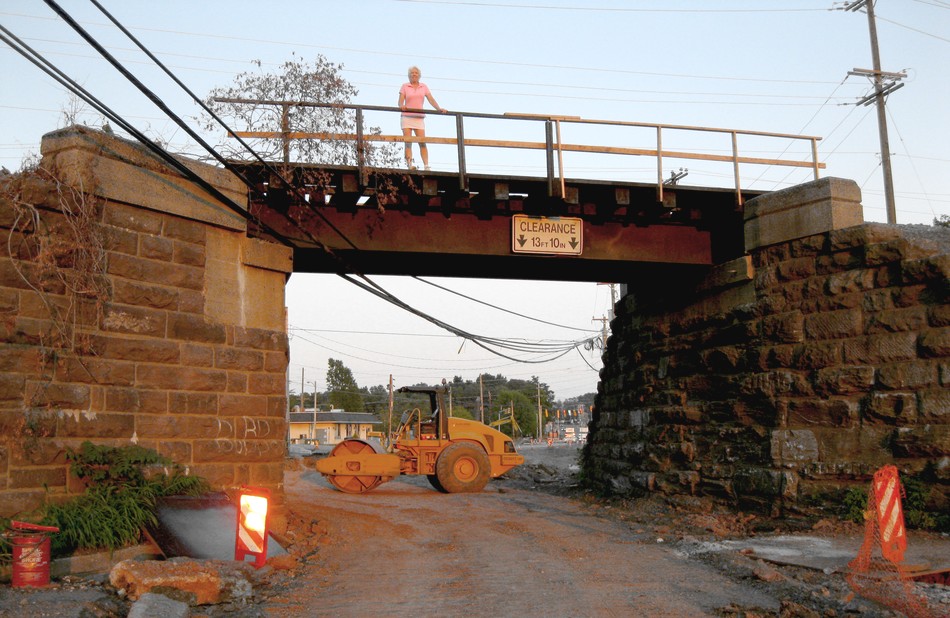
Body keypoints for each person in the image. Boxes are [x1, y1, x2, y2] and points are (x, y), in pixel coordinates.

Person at [398, 66, 445, 171]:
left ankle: (426, 165)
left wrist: (439, 109)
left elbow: (431, 99)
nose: (414, 74)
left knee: (422, 142)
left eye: (416, 73)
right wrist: (401, 105)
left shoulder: (424, 86)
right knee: (408, 142)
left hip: (419, 118)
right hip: (407, 117)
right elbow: (400, 101)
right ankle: (410, 165)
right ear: (409, 75)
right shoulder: (405, 86)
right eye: (412, 73)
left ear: (419, 75)